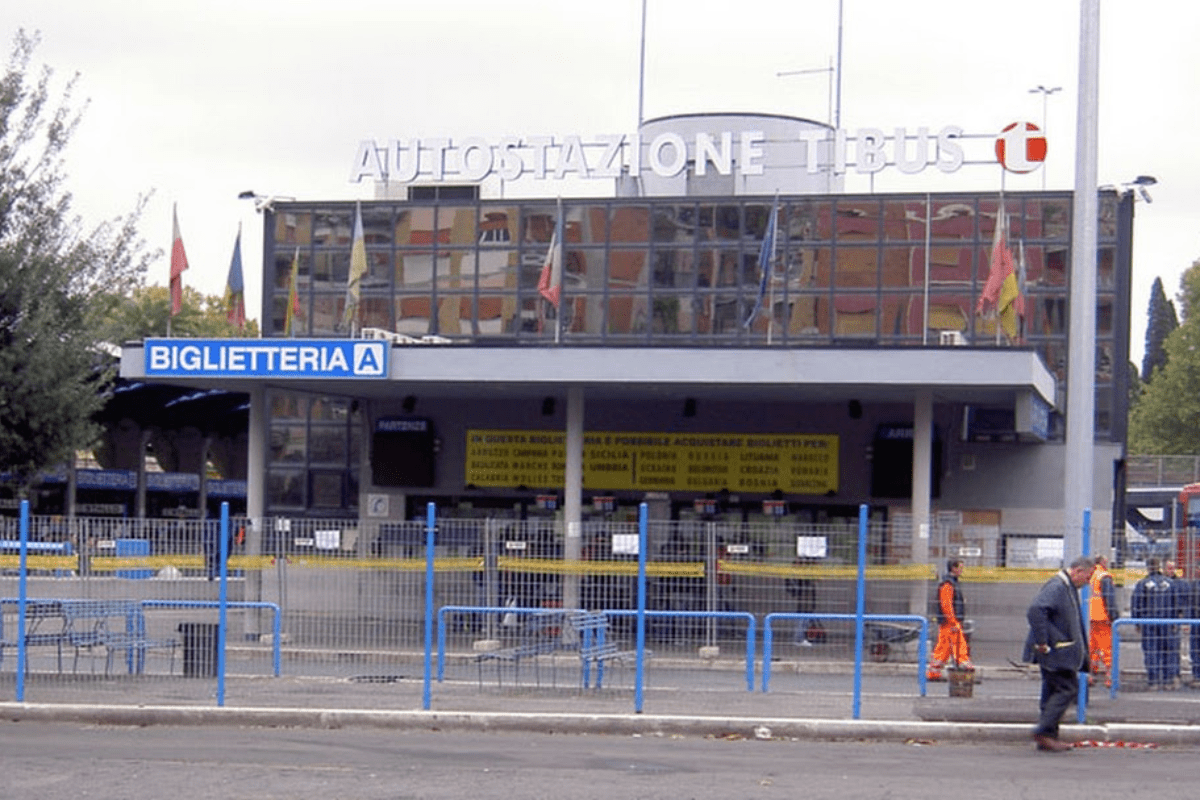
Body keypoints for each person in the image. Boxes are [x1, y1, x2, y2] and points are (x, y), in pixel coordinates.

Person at [1024, 555, 1093, 752]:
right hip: (1056, 651)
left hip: (1059, 649)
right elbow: (1036, 610)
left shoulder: (1065, 587)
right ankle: (1044, 731)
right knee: (1067, 689)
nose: (1087, 583)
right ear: (1077, 571)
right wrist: (1044, 641)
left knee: (1052, 690)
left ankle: (1047, 737)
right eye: (1087, 578)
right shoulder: (1058, 587)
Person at [1131, 557, 1179, 690]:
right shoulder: (1170, 583)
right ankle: (1168, 681)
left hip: (1149, 622)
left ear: (1148, 567)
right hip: (1168, 621)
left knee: (1151, 651)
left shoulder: (1142, 584)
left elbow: (1136, 604)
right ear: (1160, 567)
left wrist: (1137, 621)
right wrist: (1176, 620)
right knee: (1168, 650)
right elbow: (1176, 603)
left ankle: (1153, 681)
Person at [927, 559, 971, 681]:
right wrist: (953, 621)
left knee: (944, 648)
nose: (962, 570)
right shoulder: (948, 585)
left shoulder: (950, 583)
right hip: (950, 622)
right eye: (960, 567)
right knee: (959, 645)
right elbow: (946, 605)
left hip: (949, 621)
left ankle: (934, 672)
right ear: (953, 568)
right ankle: (965, 670)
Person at [1087, 554, 1118, 688]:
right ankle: (1109, 677)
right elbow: (1109, 597)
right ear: (1103, 562)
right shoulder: (1105, 576)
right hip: (1103, 615)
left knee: (1093, 645)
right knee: (1106, 646)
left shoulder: (1093, 575)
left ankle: (1091, 673)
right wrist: (1114, 615)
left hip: (1093, 614)